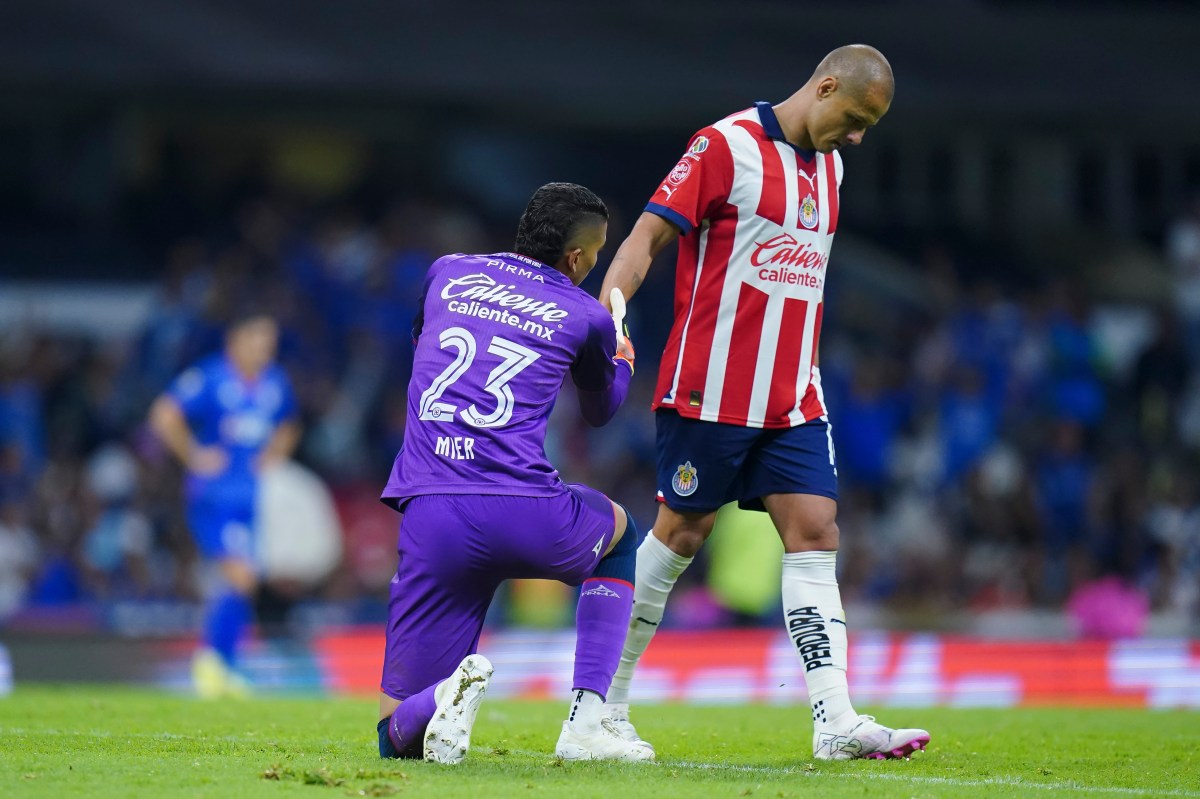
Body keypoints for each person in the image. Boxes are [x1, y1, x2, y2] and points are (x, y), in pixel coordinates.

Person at [597, 44, 930, 760]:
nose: (859, 136)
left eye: (872, 125)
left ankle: (834, 718)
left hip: (793, 396)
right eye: (856, 117)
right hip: (710, 388)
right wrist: (610, 319)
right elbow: (644, 238)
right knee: (681, 535)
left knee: (815, 530)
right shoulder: (724, 146)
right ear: (826, 86)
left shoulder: (834, 168)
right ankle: (600, 703)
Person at [376, 182, 652, 764]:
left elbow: (421, 340)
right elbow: (601, 412)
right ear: (576, 257)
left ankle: (446, 694)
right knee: (621, 536)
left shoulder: (447, 272)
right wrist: (622, 354)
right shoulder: (585, 313)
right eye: (597, 252)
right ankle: (586, 723)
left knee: (393, 737)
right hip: (524, 509)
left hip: (433, 510)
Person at [149, 313, 300, 697]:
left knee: (243, 581)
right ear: (236, 339)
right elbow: (164, 415)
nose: (265, 349)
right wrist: (194, 455)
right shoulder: (211, 377)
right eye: (258, 340)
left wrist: (273, 456)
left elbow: (289, 424)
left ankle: (223, 667)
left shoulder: (274, 383)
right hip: (214, 496)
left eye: (271, 342)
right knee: (242, 576)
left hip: (251, 499)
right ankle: (212, 662)